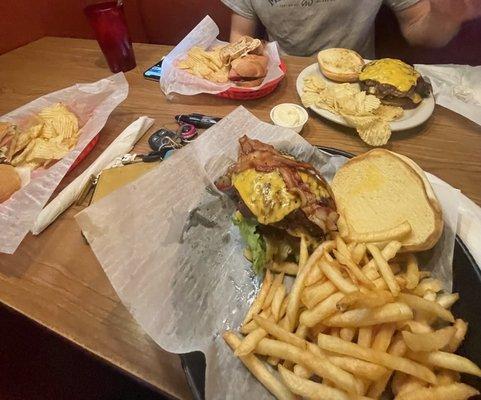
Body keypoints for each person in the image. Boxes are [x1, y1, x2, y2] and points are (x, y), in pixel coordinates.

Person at [220, 0, 481, 58]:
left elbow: (417, 27)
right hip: (283, 85)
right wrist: (250, 55)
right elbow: (240, 36)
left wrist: (447, 15)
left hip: (358, 87)